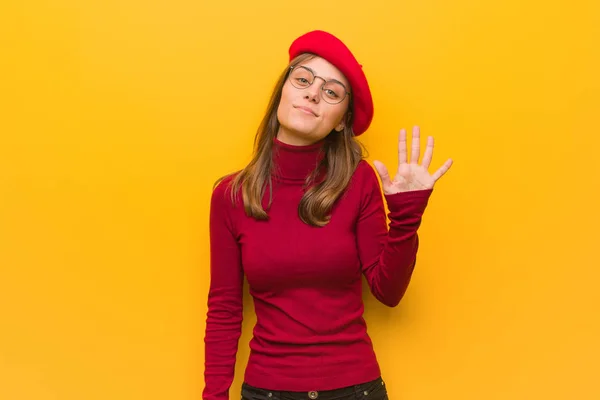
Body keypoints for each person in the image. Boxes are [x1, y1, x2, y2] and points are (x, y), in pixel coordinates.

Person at [203, 30, 453, 400]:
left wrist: (406, 216)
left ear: (340, 121)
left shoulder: (359, 181)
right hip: (267, 390)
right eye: (303, 79)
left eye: (332, 91)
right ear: (282, 93)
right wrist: (214, 396)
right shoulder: (230, 196)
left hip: (355, 389)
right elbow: (224, 308)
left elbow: (388, 291)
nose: (313, 93)